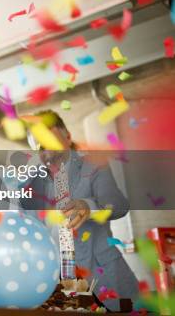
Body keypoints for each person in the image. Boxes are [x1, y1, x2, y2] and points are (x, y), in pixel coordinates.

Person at [22, 110, 138, 311]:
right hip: (62, 289)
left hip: (105, 279)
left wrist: (88, 206)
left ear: (66, 135)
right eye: (37, 144)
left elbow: (118, 205)